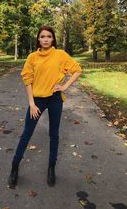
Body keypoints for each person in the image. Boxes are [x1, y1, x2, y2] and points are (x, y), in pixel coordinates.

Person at [8, 25, 82, 188]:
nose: (46, 39)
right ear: (38, 39)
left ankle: (51, 168)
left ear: (53, 38)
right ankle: (14, 166)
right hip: (38, 100)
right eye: (42, 36)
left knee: (54, 134)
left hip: (55, 99)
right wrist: (32, 104)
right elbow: (27, 79)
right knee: (27, 133)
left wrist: (64, 87)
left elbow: (77, 70)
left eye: (49, 36)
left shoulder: (60, 55)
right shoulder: (32, 57)